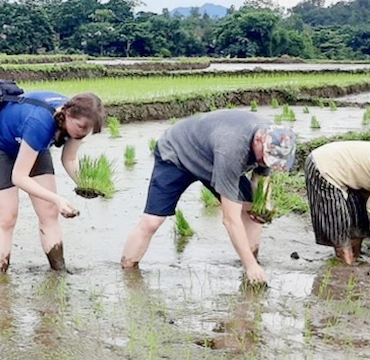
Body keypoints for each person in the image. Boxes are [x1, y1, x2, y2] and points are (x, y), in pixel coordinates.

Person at [120, 110, 296, 284]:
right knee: (152, 221)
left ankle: (253, 269)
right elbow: (230, 219)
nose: (266, 162)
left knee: (252, 211)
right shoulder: (232, 149)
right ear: (259, 140)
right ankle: (127, 274)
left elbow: (260, 179)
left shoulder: (271, 140)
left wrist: (263, 204)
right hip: (177, 153)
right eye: (265, 158)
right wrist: (250, 265)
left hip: (212, 158)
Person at [0, 90, 106, 274]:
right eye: (81, 127)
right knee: (7, 217)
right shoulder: (39, 123)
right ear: (68, 114)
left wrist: (86, 183)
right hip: (0, 146)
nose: (83, 133)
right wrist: (57, 199)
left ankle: (59, 272)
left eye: (88, 130)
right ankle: (0, 278)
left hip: (33, 146)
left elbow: (69, 159)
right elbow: (19, 177)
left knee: (48, 212)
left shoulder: (79, 122)